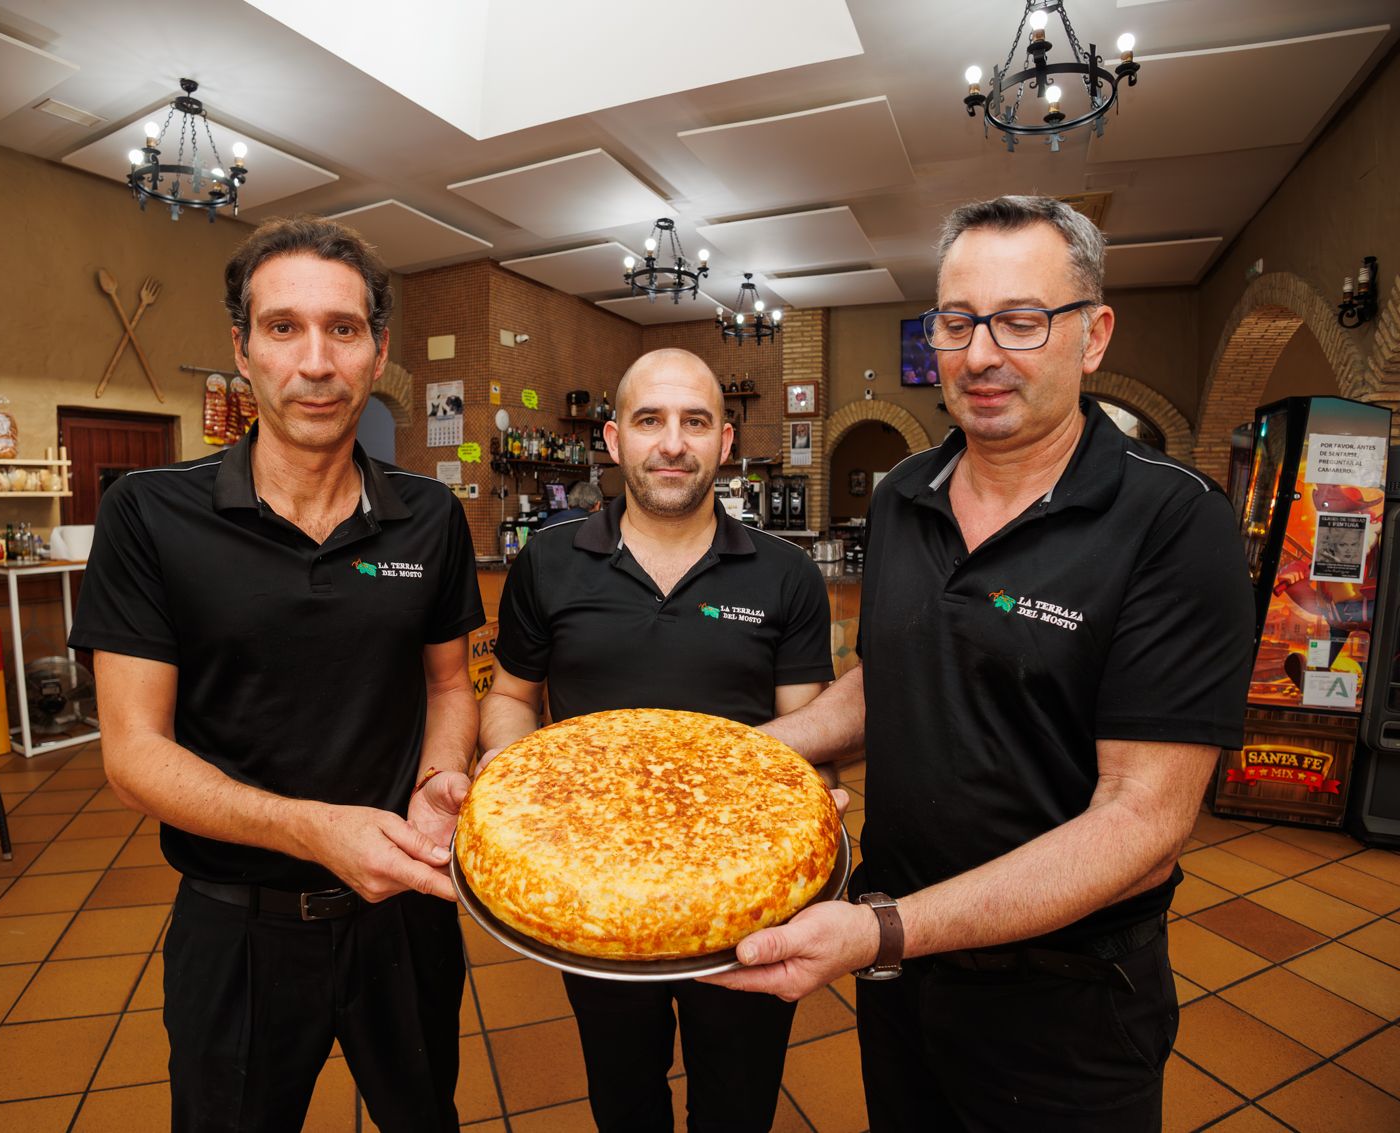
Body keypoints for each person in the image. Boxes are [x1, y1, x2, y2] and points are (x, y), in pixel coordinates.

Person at [708, 196, 1255, 1131]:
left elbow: (1142, 821)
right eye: (957, 322)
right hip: (901, 972)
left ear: (1093, 335)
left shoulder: (1174, 521)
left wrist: (883, 928)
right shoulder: (903, 496)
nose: (982, 353)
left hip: (1068, 998)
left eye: (1022, 320)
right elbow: (892, 680)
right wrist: (745, 755)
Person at [70, 217, 484, 1133]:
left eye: (343, 328)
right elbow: (134, 752)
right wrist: (311, 829)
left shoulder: (427, 516)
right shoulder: (149, 514)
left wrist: (439, 778)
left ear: (378, 351)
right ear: (241, 349)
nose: (315, 361)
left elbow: (452, 686)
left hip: (404, 920)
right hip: (237, 926)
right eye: (283, 327)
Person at [478, 347, 836, 1133]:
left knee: (737, 1105)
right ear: (612, 440)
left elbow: (805, 736)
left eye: (695, 422)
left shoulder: (787, 576)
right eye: (649, 420)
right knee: (623, 1095)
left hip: (747, 899)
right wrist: (505, 793)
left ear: (725, 443)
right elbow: (510, 696)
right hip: (595, 899)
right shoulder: (547, 561)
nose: (672, 442)